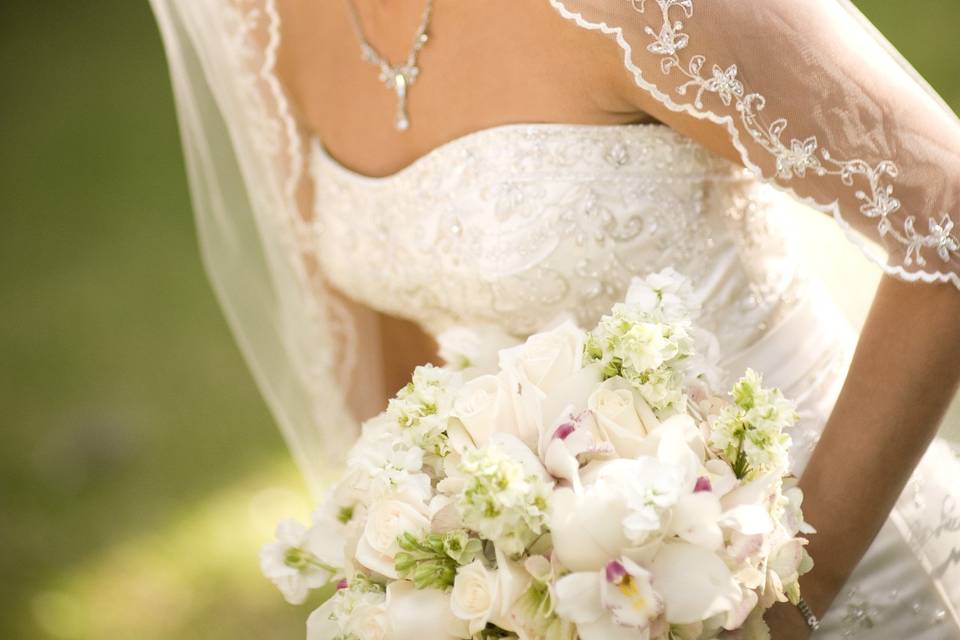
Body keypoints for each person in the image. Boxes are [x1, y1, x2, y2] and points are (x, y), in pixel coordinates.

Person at [149, 1, 960, 637]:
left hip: (852, 568)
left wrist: (796, 596)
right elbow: (393, 384)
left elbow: (946, 212)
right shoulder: (264, 19)